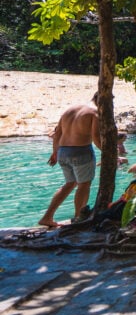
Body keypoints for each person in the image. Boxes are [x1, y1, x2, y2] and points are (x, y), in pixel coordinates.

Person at [39, 95, 101, 227]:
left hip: (63, 152)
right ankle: (79, 218)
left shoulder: (69, 110)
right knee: (84, 185)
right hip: (81, 151)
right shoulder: (95, 113)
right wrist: (109, 152)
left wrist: (55, 152)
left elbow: (57, 134)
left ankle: (47, 217)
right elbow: (96, 137)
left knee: (69, 184)